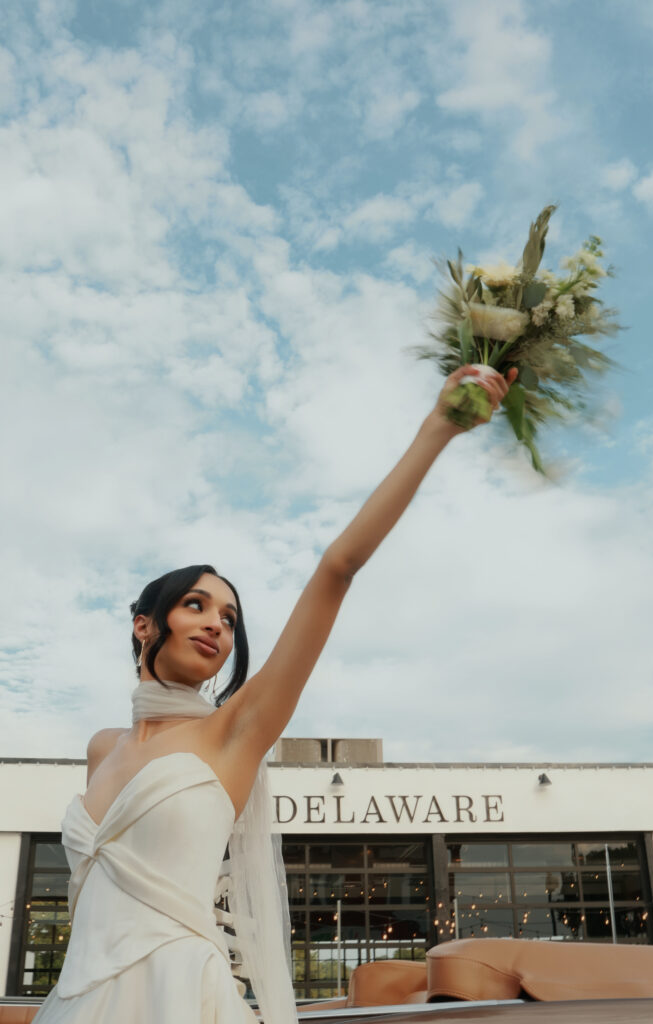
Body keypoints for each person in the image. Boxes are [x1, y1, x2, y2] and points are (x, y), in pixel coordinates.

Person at [32, 364, 516, 1024]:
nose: (215, 624)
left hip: (181, 1000)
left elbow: (336, 569)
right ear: (145, 623)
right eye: (197, 605)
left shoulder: (233, 732)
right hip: (75, 1004)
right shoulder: (100, 748)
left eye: (228, 619)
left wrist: (439, 427)